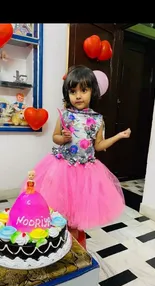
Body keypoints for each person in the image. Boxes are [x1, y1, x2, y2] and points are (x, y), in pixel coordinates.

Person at [21, 65, 131, 248]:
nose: (78, 96)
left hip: (86, 171)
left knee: (78, 211)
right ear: (67, 93)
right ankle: (59, 242)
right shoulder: (65, 115)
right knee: (59, 208)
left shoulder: (97, 119)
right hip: (62, 168)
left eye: (84, 90)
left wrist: (118, 136)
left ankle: (75, 246)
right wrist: (62, 138)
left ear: (93, 92)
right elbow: (55, 137)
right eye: (73, 91)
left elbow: (99, 145)